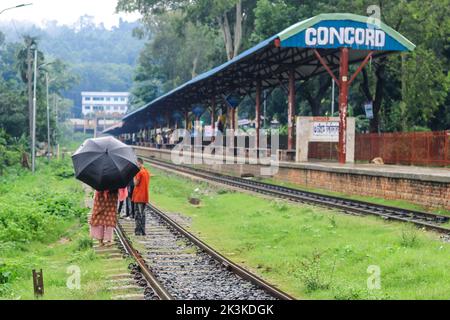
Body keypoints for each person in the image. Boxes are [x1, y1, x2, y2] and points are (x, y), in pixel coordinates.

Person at [132, 158, 150, 236]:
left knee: (138, 214)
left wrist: (133, 175)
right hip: (144, 196)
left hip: (138, 196)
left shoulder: (139, 172)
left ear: (139, 163)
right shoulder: (146, 172)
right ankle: (143, 231)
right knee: (143, 213)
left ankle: (138, 231)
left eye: (137, 164)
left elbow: (136, 183)